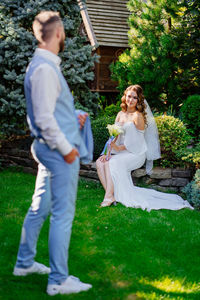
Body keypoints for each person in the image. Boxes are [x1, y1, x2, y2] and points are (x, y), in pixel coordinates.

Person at [13, 11, 93, 296]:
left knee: (41, 208)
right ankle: (59, 279)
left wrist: (74, 116)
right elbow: (45, 120)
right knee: (62, 214)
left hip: (46, 149)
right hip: (57, 152)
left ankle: (24, 263)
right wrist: (68, 150)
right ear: (58, 33)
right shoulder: (46, 68)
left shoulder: (41, 65)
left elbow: (46, 111)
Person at [96, 85, 193, 211]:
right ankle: (112, 195)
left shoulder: (138, 116)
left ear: (138, 100)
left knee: (112, 162)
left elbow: (137, 142)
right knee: (100, 162)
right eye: (129, 96)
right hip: (122, 151)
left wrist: (118, 149)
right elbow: (113, 136)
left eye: (134, 98)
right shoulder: (120, 114)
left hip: (136, 153)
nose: (130, 100)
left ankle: (109, 197)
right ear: (125, 97)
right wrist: (107, 153)